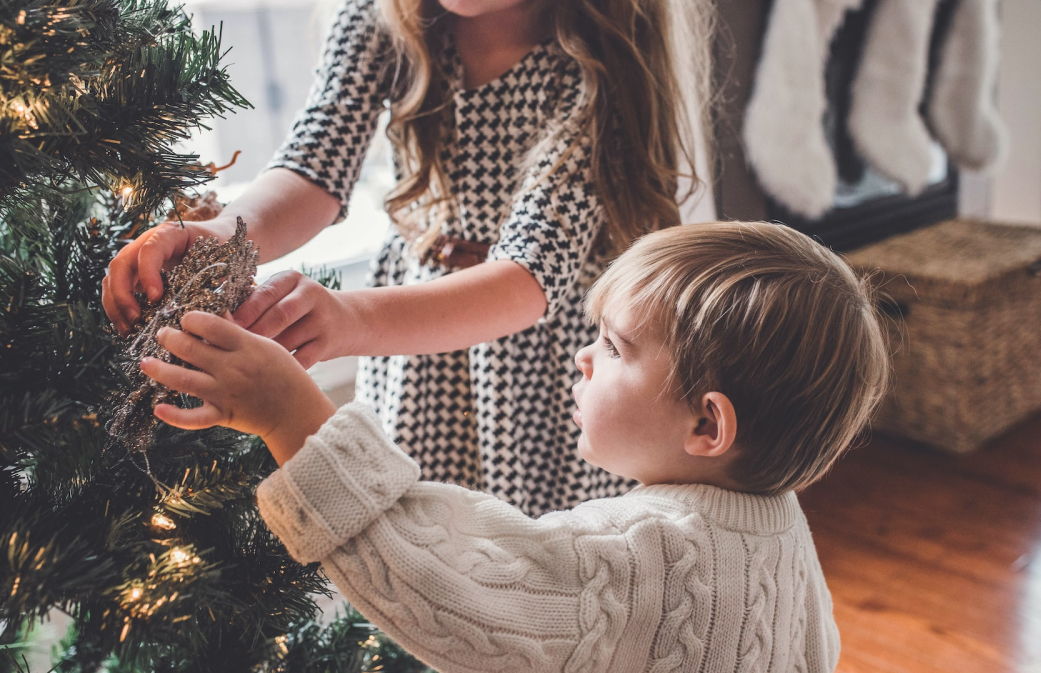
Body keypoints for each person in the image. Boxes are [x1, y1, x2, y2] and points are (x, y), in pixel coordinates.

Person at [140, 221, 890, 673]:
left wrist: (291, 416)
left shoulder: (642, 552)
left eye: (614, 346)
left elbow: (443, 584)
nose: (583, 358)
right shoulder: (783, 530)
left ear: (707, 427)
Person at [101, 0, 711, 516]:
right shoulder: (384, 20)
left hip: (544, 362)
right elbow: (313, 167)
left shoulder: (593, 63)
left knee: (527, 567)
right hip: (419, 355)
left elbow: (528, 277)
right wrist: (224, 234)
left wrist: (348, 321)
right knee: (425, 551)